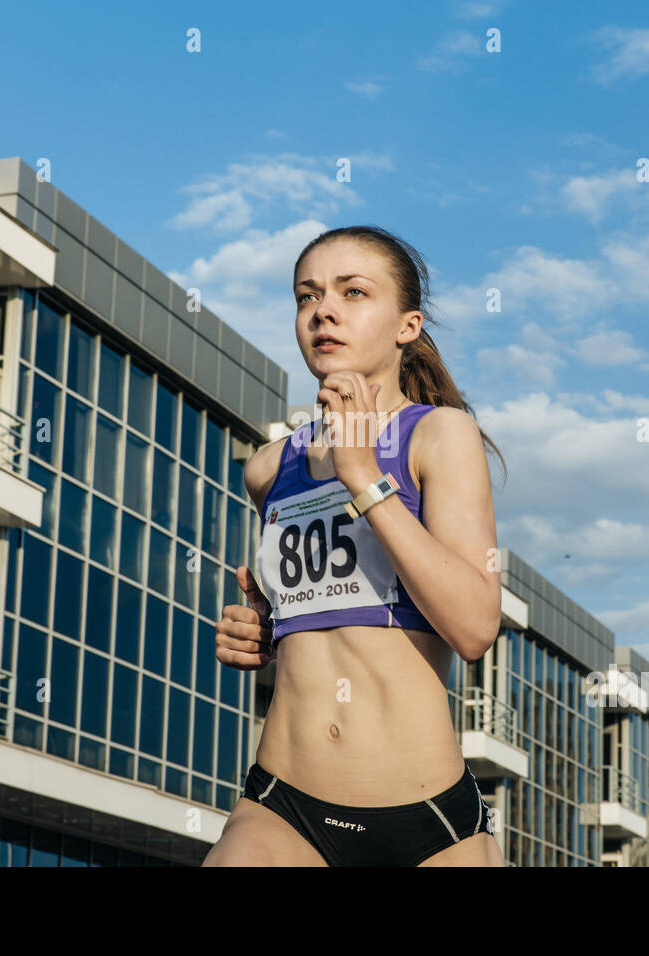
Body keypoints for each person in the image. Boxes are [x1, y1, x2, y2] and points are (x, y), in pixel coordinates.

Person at [202, 225, 507, 866]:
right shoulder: (267, 468)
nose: (324, 311)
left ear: (407, 325)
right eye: (306, 295)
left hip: (427, 819)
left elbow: (475, 627)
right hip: (283, 806)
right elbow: (325, 617)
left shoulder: (441, 436)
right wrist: (262, 630)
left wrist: (364, 475)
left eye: (354, 292)